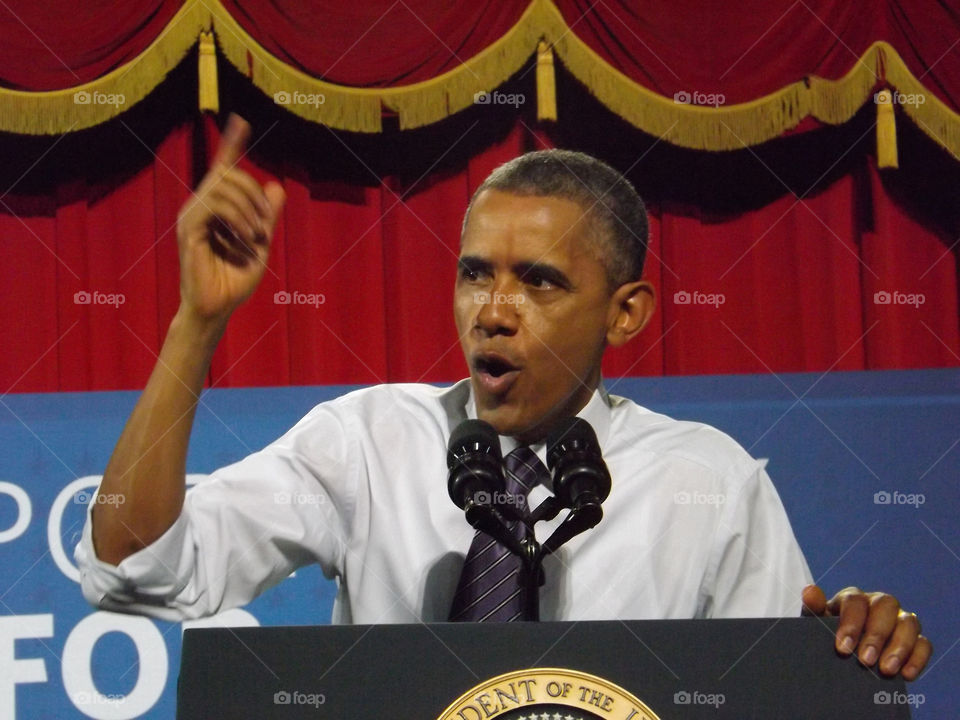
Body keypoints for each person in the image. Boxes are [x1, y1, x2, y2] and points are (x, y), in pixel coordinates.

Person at [76, 114, 931, 680]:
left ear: (625, 312)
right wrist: (197, 323)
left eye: (541, 282)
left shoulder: (708, 482)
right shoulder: (370, 441)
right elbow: (132, 569)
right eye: (476, 273)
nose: (493, 311)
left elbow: (773, 694)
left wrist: (854, 647)